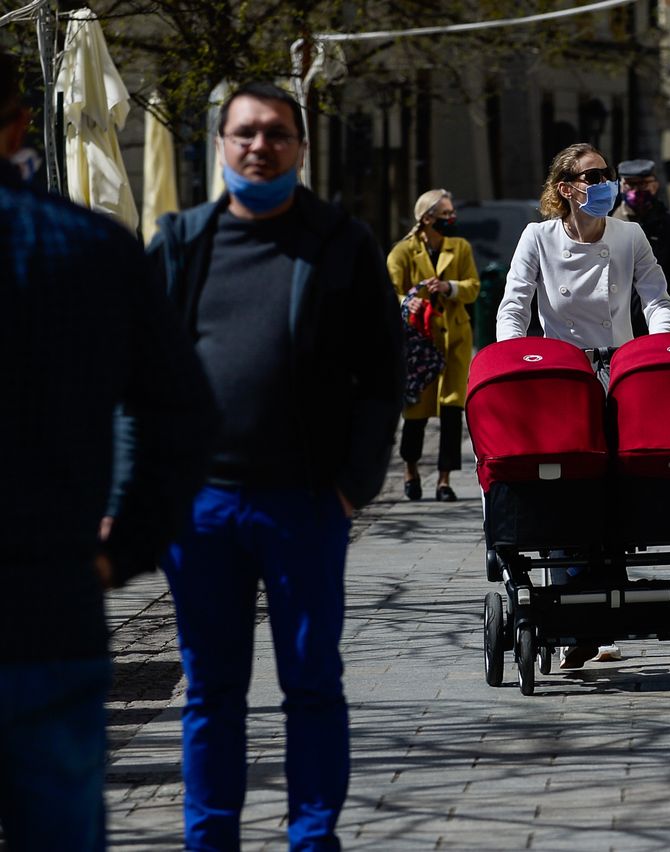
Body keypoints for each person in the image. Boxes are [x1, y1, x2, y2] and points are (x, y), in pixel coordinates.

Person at [147, 81, 404, 849]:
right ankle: (210, 838)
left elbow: (381, 375)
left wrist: (352, 485)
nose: (261, 147)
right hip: (202, 508)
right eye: (245, 134)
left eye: (277, 135)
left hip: (305, 502)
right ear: (221, 144)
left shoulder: (342, 243)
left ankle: (312, 837)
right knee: (211, 691)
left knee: (312, 684)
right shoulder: (181, 244)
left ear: (300, 148)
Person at [0, 49, 216, 852]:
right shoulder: (92, 248)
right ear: (20, 123)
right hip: (50, 602)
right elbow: (181, 417)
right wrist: (124, 547)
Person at [496, 142, 670, 669]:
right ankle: (569, 608)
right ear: (565, 189)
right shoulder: (539, 237)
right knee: (559, 484)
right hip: (559, 375)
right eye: (591, 176)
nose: (603, 184)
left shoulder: (629, 235)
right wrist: (515, 361)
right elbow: (515, 303)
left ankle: (607, 608)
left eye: (607, 174)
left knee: (616, 484)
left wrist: (658, 347)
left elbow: (657, 299)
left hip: (621, 371)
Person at [387, 189, 479, 502]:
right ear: (426, 218)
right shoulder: (403, 252)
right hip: (419, 344)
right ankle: (410, 470)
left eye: (452, 213)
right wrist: (407, 302)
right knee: (416, 411)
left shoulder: (460, 247)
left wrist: (450, 287)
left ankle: (444, 480)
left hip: (454, 338)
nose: (451, 219)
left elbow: (473, 287)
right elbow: (390, 292)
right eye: (445, 215)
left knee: (453, 409)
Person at [613, 157, 670, 321]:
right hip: (613, 317)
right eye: (631, 184)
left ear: (655, 186)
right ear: (621, 186)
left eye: (643, 185)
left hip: (653, 315)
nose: (636, 191)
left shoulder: (669, 227)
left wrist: (663, 298)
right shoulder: (607, 222)